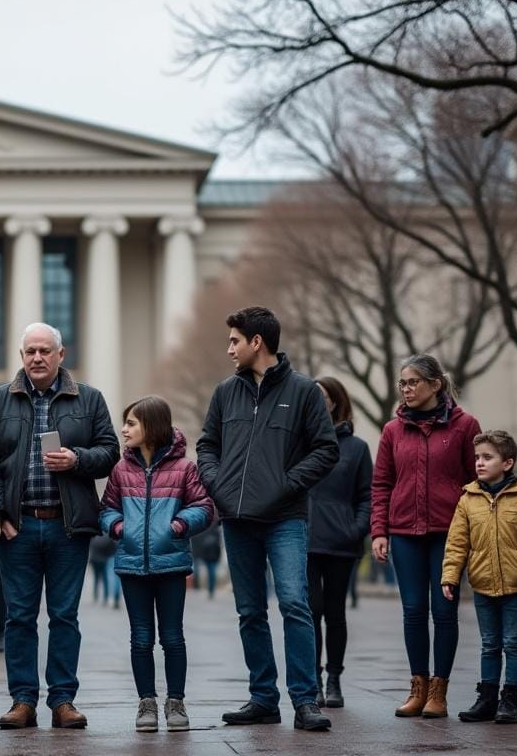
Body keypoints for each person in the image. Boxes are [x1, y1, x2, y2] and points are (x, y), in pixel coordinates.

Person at [196, 306, 338, 732]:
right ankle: (263, 698)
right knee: (250, 611)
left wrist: (286, 483)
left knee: (295, 603)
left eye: (234, 341)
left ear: (257, 342)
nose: (229, 349)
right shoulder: (225, 392)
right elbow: (207, 446)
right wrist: (218, 485)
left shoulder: (305, 392)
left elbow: (326, 449)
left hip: (285, 518)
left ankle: (305, 700)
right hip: (237, 520)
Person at [0, 322, 118, 730]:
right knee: (18, 617)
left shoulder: (88, 399)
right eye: (29, 351)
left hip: (67, 527)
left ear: (61, 354)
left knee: (64, 616)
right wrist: (1, 515)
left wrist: (77, 459)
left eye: (44, 350)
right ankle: (22, 700)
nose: (37, 358)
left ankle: (63, 700)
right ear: (21, 357)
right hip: (16, 528)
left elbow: (110, 451)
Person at [370, 353, 480, 719]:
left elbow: (476, 481)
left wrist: (472, 530)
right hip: (403, 532)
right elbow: (382, 483)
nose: (406, 389)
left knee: (444, 611)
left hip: (449, 533)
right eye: (402, 383)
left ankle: (439, 692)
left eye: (413, 382)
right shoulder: (392, 430)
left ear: (435, 384)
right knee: (414, 611)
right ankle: (417, 687)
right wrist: (379, 531)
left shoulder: (465, 427)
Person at [100, 396, 215, 732]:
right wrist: (119, 528)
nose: (124, 429)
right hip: (131, 565)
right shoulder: (121, 470)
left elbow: (204, 506)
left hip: (172, 565)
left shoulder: (184, 469)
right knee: (140, 638)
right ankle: (146, 702)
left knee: (173, 637)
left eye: (131, 423)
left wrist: (177, 526)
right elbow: (107, 508)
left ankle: (176, 702)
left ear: (152, 426)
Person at [441, 430, 517, 725]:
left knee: (513, 643)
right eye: (477, 457)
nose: (479, 462)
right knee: (489, 643)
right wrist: (450, 577)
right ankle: (487, 698)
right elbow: (456, 543)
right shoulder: (468, 500)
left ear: (507, 463)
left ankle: (510, 701)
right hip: (482, 584)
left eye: (487, 457)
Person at [306, 376, 371, 710]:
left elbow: (366, 496)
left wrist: (356, 529)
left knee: (335, 613)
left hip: (341, 543)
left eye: (322, 396)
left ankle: (334, 678)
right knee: (310, 611)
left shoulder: (357, 448)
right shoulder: (298, 443)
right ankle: (313, 680)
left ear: (335, 402)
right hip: (303, 542)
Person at [190, 523, 223, 599]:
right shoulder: (214, 527)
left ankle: (199, 587)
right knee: (211, 571)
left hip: (205, 552)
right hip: (210, 553)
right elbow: (218, 541)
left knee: (206, 570)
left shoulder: (201, 525)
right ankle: (208, 589)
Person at [87, 534, 121, 608]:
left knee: (98, 578)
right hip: (106, 558)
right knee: (109, 579)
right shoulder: (108, 536)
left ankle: (97, 595)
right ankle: (108, 596)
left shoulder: (95, 537)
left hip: (98, 559)